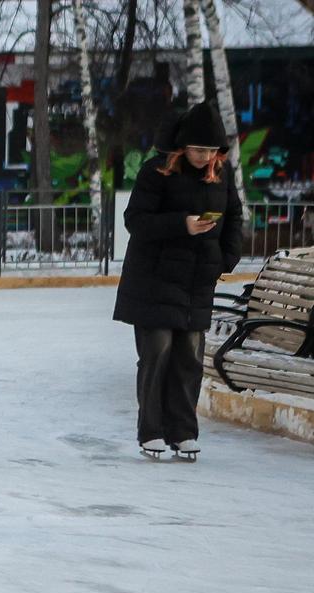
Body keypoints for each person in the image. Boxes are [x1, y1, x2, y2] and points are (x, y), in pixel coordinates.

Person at [114, 102, 245, 462]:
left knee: (189, 358)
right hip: (153, 280)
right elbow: (135, 220)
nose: (205, 157)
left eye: (211, 151)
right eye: (199, 150)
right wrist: (181, 225)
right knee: (157, 355)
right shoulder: (156, 172)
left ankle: (184, 433)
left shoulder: (221, 173)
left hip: (196, 282)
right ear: (183, 146)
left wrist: (225, 258)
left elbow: (234, 216)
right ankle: (151, 432)